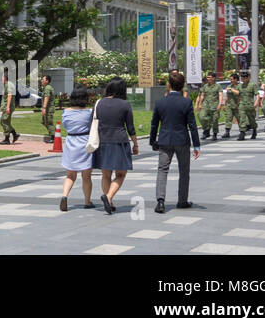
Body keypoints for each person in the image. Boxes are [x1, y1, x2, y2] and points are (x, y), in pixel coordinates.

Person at [150, 70, 200, 213]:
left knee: (162, 170)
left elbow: (154, 124)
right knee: (184, 171)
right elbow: (192, 125)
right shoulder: (186, 102)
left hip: (165, 140)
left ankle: (160, 201)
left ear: (168, 85)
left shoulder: (160, 102)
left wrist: (153, 140)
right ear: (182, 85)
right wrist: (196, 145)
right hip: (182, 141)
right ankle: (182, 200)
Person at [92, 77, 139, 215]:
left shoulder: (98, 103)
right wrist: (135, 144)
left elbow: (92, 122)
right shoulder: (125, 104)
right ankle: (108, 197)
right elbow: (130, 128)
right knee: (121, 174)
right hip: (119, 141)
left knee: (106, 174)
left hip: (103, 142)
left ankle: (109, 203)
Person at [58, 86, 95, 211]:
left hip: (70, 142)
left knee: (70, 175)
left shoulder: (66, 112)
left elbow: (65, 125)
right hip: (85, 142)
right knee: (86, 176)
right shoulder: (89, 112)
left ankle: (64, 196)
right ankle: (87, 201)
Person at [195, 73, 220, 141]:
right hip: (205, 105)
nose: (207, 78)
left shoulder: (218, 86)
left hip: (214, 105)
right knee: (201, 116)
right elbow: (202, 95)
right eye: (207, 77)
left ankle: (214, 134)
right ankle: (206, 129)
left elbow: (220, 95)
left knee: (215, 120)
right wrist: (199, 104)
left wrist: (220, 104)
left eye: (209, 77)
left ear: (213, 78)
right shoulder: (205, 86)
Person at [0, 69, 19, 144]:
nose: (1, 78)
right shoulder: (8, 84)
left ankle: (7, 139)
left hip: (8, 107)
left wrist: (7, 107)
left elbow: (9, 96)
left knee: (4, 122)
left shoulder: (9, 84)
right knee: (5, 122)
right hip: (7, 107)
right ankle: (14, 134)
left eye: (2, 77)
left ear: (5, 77)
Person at [236, 71, 258, 140]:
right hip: (242, 105)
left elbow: (257, 95)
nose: (244, 78)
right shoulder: (240, 86)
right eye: (242, 77)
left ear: (249, 77)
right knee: (242, 119)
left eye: (245, 77)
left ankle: (254, 130)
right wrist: (238, 104)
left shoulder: (252, 85)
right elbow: (239, 95)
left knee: (252, 120)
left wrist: (256, 103)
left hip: (250, 105)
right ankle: (242, 133)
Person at [39, 74, 56, 142]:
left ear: (47, 81)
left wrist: (44, 108)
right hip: (48, 108)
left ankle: (53, 137)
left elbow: (47, 97)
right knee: (43, 121)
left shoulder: (47, 88)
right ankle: (54, 133)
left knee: (49, 122)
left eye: (43, 80)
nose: (41, 81)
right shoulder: (47, 87)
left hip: (49, 109)